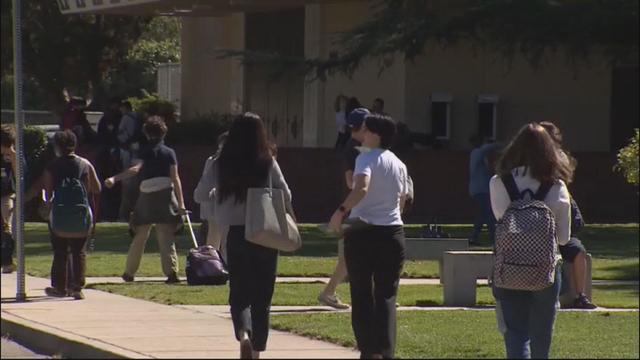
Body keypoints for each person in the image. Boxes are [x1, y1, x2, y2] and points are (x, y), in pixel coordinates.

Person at [328, 113, 409, 359]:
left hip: (364, 232)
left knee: (361, 293)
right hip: (393, 232)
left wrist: (340, 212)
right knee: (386, 295)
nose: (361, 133)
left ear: (375, 134)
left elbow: (361, 187)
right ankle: (385, 351)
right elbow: (403, 200)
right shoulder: (399, 164)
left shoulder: (366, 158)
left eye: (365, 129)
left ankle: (369, 350)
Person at [211, 112, 292, 359]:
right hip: (264, 232)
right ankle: (256, 352)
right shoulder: (267, 160)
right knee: (262, 295)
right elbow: (285, 193)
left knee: (239, 291)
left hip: (236, 232)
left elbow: (203, 192)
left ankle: (243, 334)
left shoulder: (221, 162)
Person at [489, 123, 572, 359]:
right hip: (545, 269)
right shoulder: (556, 187)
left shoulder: (498, 182)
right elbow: (564, 238)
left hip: (508, 267)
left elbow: (500, 219)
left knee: (515, 331)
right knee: (542, 332)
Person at [105, 116, 185, 284]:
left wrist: (114, 178)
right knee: (166, 236)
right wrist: (181, 203)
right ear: (164, 133)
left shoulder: (142, 151)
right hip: (165, 193)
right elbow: (175, 177)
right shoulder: (169, 153)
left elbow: (135, 170)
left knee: (140, 235)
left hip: (146, 193)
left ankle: (129, 272)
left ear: (147, 134)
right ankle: (171, 273)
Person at [318, 108, 371, 310]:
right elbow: (350, 182)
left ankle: (329, 292)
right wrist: (364, 182)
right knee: (350, 256)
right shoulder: (352, 149)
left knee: (359, 255)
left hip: (361, 207)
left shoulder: (363, 146)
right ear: (361, 126)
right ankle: (328, 292)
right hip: (355, 208)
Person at [540, 121, 597, 309]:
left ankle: (580, 296)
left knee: (579, 252)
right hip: (537, 229)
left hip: (561, 225)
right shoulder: (529, 159)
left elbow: (563, 177)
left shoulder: (560, 157)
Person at [43, 130, 101, 300]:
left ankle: (60, 287)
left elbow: (48, 194)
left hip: (59, 214)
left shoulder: (52, 166)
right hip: (81, 213)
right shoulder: (85, 164)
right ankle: (77, 288)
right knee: (79, 251)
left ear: (57, 147)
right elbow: (97, 188)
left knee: (60, 251)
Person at [194, 132, 228, 253]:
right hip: (217, 202)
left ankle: (214, 263)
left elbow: (205, 181)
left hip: (219, 201)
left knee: (216, 235)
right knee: (215, 235)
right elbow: (206, 180)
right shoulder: (214, 160)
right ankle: (214, 263)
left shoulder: (214, 159)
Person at [468, 135, 501, 244]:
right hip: (480, 190)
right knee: (489, 214)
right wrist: (500, 143)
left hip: (481, 189)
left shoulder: (479, 156)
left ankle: (474, 237)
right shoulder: (477, 152)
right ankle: (494, 238)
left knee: (482, 215)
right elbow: (487, 148)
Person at [96, 97, 123, 221]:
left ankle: (109, 214)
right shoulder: (113, 118)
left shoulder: (107, 118)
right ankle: (110, 214)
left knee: (108, 189)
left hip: (106, 155)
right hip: (110, 156)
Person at [116, 101, 142, 221]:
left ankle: (123, 215)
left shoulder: (126, 118)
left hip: (128, 150)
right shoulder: (138, 117)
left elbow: (120, 133)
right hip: (137, 149)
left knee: (127, 183)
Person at [1, 125, 17, 274]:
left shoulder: (12, 155)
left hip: (6, 194)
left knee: (6, 228)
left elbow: (20, 176)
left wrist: (12, 156)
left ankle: (7, 261)